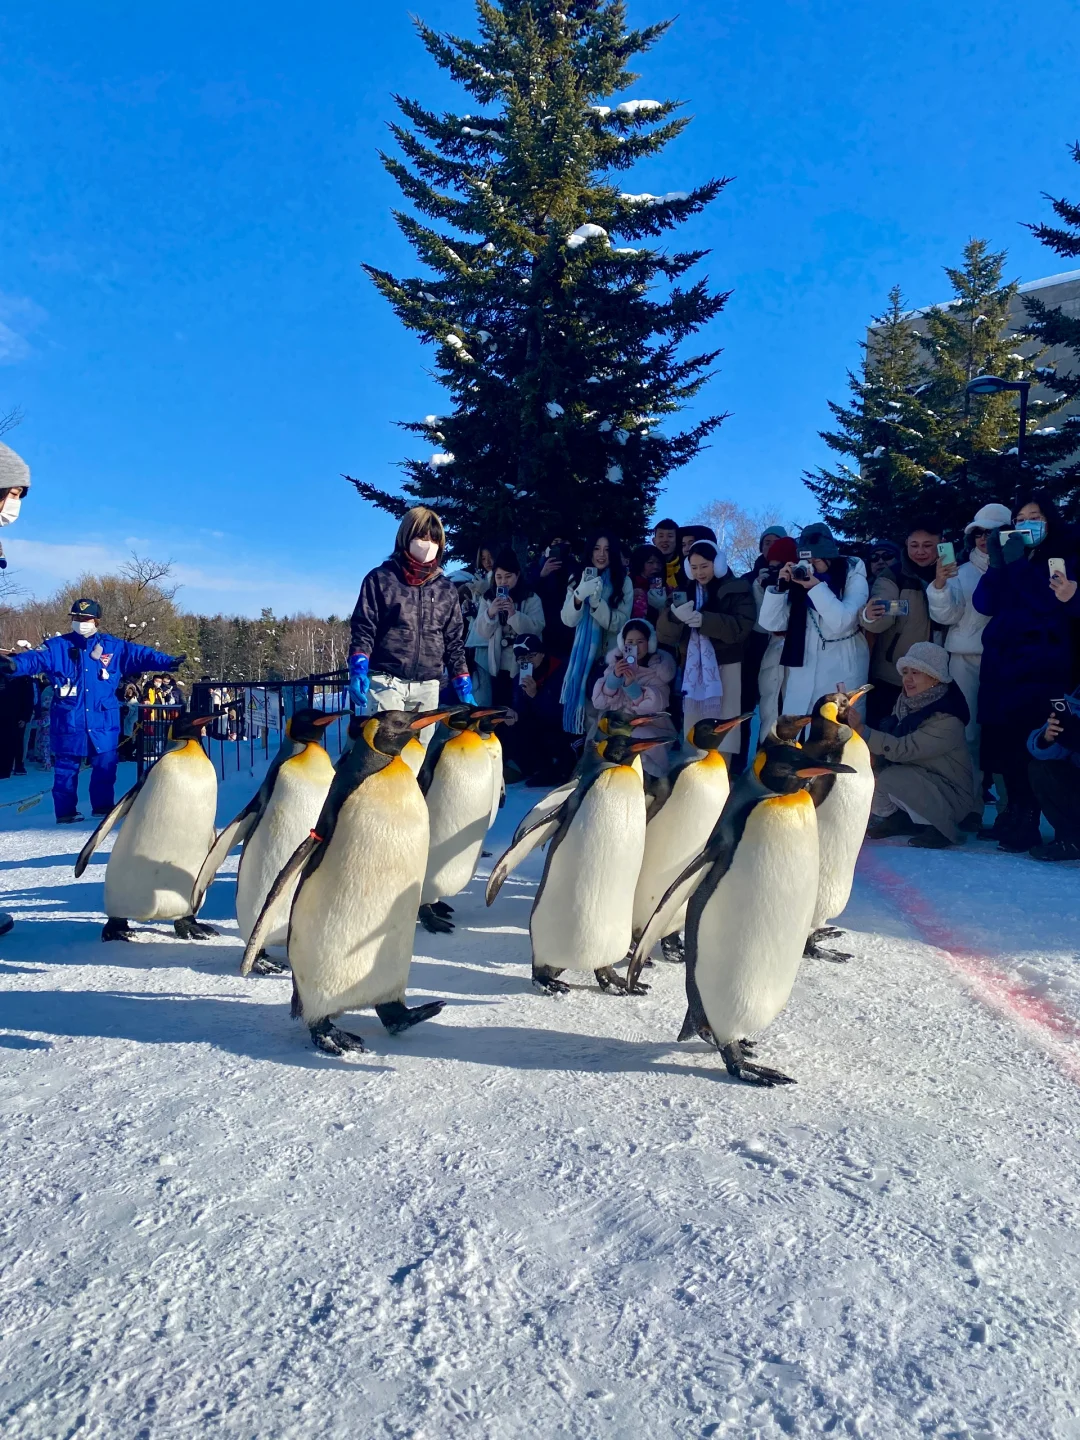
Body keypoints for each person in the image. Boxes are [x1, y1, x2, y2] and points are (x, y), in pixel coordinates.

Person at [0, 598, 185, 822]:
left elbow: (140, 654)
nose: (81, 622)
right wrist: (15, 665)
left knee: (105, 768)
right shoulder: (57, 647)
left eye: (86, 618)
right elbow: (35, 659)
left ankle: (102, 808)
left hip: (103, 720)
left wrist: (167, 662)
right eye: (76, 618)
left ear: (96, 620)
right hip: (70, 719)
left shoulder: (113, 647)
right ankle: (66, 812)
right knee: (65, 771)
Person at [973, 492, 1080, 852]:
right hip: (1002, 665)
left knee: (1030, 742)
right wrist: (997, 564)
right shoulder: (1012, 556)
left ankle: (1031, 820)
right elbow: (984, 603)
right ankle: (1014, 814)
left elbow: (1046, 601)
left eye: (1035, 516)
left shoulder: (1063, 556)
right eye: (1019, 519)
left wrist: (1017, 564)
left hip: (1041, 665)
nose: (1025, 524)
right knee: (1003, 744)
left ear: (1050, 521)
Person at [349, 506, 474, 742]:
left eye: (434, 539)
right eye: (421, 537)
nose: (428, 544)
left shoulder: (446, 589)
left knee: (417, 758)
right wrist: (358, 667)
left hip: (427, 685)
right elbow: (364, 628)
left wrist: (463, 682)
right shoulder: (381, 579)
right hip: (387, 680)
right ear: (406, 537)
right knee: (385, 755)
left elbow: (453, 642)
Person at [926, 503, 1012, 826]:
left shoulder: (1019, 569)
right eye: (979, 533)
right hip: (964, 660)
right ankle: (970, 805)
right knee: (967, 733)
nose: (983, 539)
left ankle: (1009, 807)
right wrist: (939, 587)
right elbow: (944, 615)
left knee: (1005, 736)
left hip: (1006, 660)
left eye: (992, 533)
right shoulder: (959, 572)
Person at [862, 642, 974, 849]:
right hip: (923, 780)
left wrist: (863, 732)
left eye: (916, 672)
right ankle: (901, 818)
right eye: (905, 672)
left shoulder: (948, 717)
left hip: (951, 797)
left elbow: (904, 749)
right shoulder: (906, 703)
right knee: (871, 768)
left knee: (890, 776)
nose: (908, 679)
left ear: (935, 677)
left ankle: (940, 828)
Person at [757, 522, 870, 722]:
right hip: (803, 667)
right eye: (807, 561)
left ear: (829, 558)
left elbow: (842, 621)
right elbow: (772, 624)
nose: (811, 567)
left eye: (816, 560)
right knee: (799, 732)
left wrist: (816, 587)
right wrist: (779, 589)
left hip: (842, 666)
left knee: (836, 732)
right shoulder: (800, 580)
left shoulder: (851, 572)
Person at [656, 539, 755, 750]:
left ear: (717, 563)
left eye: (704, 566)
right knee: (694, 725)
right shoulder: (681, 593)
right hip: (692, 669)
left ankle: (723, 772)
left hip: (727, 664)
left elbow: (741, 628)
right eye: (694, 567)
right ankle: (692, 767)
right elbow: (664, 635)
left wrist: (704, 621)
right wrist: (674, 617)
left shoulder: (737, 588)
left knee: (725, 726)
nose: (700, 572)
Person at [860, 517, 943, 726]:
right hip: (894, 674)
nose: (920, 551)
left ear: (940, 544)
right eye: (914, 545)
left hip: (937, 673)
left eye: (927, 545)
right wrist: (871, 615)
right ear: (906, 544)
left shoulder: (952, 572)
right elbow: (880, 613)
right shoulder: (893, 575)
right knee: (885, 732)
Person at [560, 532, 634, 737]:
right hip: (584, 663)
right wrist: (578, 595)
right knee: (588, 720)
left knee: (609, 719)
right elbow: (568, 620)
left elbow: (620, 622)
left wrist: (596, 603)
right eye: (596, 548)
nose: (601, 554)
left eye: (607, 549)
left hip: (612, 660)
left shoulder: (624, 582)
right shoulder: (577, 579)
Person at [590, 617, 678, 775]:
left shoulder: (658, 670)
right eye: (630, 642)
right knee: (598, 740)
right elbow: (599, 703)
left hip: (651, 729)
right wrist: (614, 678)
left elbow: (656, 706)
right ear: (622, 644)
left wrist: (632, 687)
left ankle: (655, 779)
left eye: (640, 642)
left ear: (650, 643)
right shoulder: (614, 667)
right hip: (616, 727)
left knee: (638, 738)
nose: (635, 647)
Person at [468, 547, 546, 708]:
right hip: (495, 665)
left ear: (517, 575)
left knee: (520, 707)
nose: (503, 582)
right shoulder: (488, 598)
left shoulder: (531, 598)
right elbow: (481, 632)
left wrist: (513, 614)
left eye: (508, 576)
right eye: (499, 577)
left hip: (522, 663)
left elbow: (536, 628)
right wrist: (490, 613)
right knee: (498, 707)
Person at [1027, 688, 1080, 862]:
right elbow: (1039, 750)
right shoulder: (1075, 697)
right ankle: (1070, 841)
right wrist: (1048, 737)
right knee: (1041, 769)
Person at [0, 669, 34, 779]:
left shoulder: (24, 679)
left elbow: (29, 699)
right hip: (2, 715)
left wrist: (25, 717)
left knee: (13, 743)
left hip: (16, 718)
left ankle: (8, 769)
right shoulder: (2, 676)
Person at [627, 543, 667, 619]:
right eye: (650, 562)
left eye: (658, 563)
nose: (656, 567)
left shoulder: (667, 589)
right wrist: (628, 596)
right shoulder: (628, 586)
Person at [652, 517, 682, 590]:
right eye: (661, 536)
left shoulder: (685, 566)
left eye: (670, 536)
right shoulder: (645, 567)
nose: (665, 540)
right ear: (654, 541)